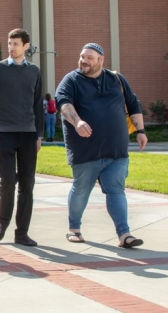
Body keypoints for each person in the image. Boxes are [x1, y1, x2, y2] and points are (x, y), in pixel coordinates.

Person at [55, 43, 148, 248]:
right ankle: (74, 228)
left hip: (116, 150)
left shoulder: (116, 79)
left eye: (89, 57)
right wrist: (77, 122)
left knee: (116, 190)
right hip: (85, 150)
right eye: (82, 56)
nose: (84, 61)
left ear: (100, 60)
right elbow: (63, 103)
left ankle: (125, 235)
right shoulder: (71, 80)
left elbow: (133, 104)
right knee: (81, 190)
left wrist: (141, 131)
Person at [0, 28, 44, 247]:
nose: (11, 47)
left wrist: (39, 134)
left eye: (16, 43)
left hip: (28, 134)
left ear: (26, 46)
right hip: (5, 132)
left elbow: (38, 105)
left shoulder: (34, 71)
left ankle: (22, 232)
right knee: (7, 179)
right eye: (9, 43)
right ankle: (2, 222)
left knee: (27, 183)